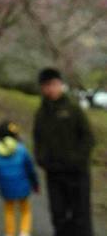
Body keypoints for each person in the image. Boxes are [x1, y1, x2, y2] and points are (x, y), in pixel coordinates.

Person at [33, 67, 95, 236]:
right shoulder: (41, 113)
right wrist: (41, 159)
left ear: (61, 85)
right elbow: (37, 139)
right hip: (54, 174)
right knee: (58, 215)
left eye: (54, 84)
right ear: (42, 88)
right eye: (47, 85)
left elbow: (88, 138)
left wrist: (77, 159)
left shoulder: (73, 110)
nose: (51, 89)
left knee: (81, 217)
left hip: (77, 173)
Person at [0, 121, 39, 236]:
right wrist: (35, 184)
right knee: (25, 210)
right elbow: (31, 169)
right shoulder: (22, 150)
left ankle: (9, 233)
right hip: (23, 188)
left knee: (9, 211)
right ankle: (24, 232)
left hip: (6, 189)